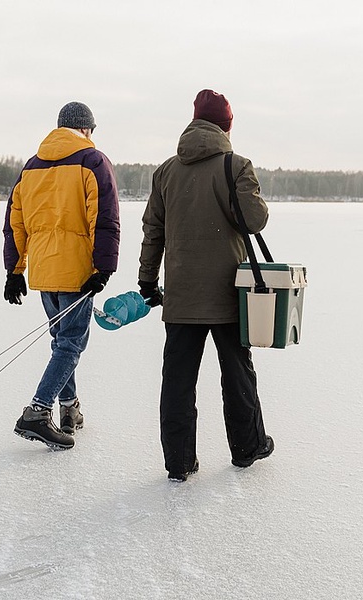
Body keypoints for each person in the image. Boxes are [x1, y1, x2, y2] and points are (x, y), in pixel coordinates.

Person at [137, 89, 274, 481]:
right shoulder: (236, 165)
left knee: (177, 382)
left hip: (181, 296)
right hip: (229, 293)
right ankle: (248, 448)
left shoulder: (165, 171)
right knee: (237, 374)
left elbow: (153, 232)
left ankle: (179, 462)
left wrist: (148, 279)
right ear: (226, 126)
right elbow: (255, 220)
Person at [3, 101, 120, 450]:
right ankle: (37, 412)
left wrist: (14, 270)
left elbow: (15, 223)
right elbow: (105, 219)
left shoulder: (32, 166)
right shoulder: (92, 161)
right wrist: (103, 269)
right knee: (71, 343)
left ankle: (70, 410)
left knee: (61, 343)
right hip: (76, 273)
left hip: (43, 271)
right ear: (85, 129)